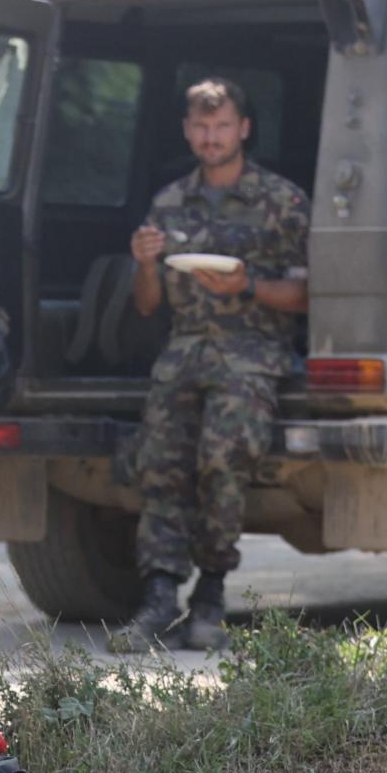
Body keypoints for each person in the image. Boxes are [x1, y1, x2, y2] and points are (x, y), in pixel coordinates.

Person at [111, 78, 310, 654]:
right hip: (184, 350)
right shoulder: (170, 201)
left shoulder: (282, 200)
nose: (210, 137)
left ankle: (211, 593)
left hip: (251, 354)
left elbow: (307, 295)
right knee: (160, 466)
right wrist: (143, 265)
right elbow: (148, 304)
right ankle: (157, 597)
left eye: (221, 126)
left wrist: (247, 285)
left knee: (223, 461)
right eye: (200, 126)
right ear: (186, 130)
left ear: (243, 129)